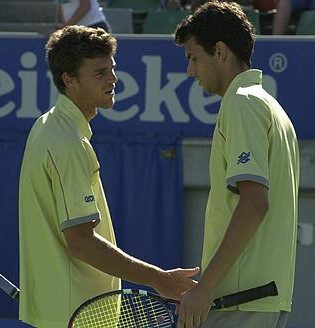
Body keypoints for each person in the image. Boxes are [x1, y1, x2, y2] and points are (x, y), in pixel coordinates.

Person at [18, 25, 199, 328]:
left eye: (112, 69)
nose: (113, 79)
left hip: (67, 314)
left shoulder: (47, 127)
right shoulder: (66, 143)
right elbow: (80, 242)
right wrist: (159, 279)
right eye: (100, 73)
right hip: (76, 317)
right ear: (69, 79)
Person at [174, 1, 299, 327]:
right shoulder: (271, 106)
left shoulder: (241, 105)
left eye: (193, 58)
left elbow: (255, 203)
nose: (190, 70)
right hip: (259, 299)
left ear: (219, 52)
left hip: (241, 303)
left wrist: (206, 287)